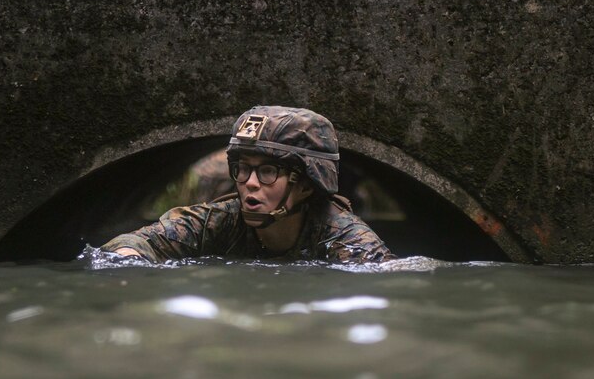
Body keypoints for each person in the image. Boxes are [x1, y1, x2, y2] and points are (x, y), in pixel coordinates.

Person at [101, 105, 394, 264]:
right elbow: (137, 242)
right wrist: (128, 259)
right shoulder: (222, 221)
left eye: (267, 172)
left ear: (305, 184)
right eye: (242, 170)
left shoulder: (346, 240)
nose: (250, 184)